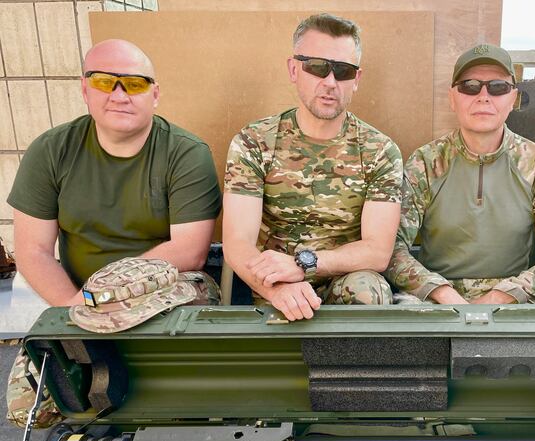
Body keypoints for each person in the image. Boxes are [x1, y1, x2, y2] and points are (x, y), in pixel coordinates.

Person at [8, 39, 221, 306]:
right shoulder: (51, 150)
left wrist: (104, 292)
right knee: (48, 342)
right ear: (85, 90)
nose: (119, 96)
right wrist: (72, 309)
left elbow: (190, 251)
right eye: (104, 82)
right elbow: (33, 251)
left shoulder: (186, 153)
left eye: (135, 84)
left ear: (154, 95)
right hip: (74, 293)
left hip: (160, 290)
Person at [223, 13, 402, 321]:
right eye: (317, 67)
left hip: (343, 282)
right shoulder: (255, 141)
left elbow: (377, 250)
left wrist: (304, 263)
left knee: (369, 291)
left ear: (356, 79)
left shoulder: (379, 150)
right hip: (272, 283)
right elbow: (238, 243)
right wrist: (277, 288)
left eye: (342, 71)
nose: (330, 82)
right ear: (294, 69)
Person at [385, 44, 535, 305]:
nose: (483, 96)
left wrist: (499, 297)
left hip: (512, 301)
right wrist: (441, 293)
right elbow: (391, 247)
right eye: (470, 86)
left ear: (513, 98)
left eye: (498, 87)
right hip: (435, 301)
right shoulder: (426, 162)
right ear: (452, 98)